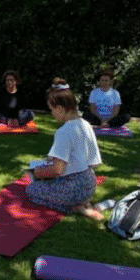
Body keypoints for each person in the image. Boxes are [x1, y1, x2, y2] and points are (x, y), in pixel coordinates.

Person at [26, 78, 104, 220]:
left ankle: (73, 207)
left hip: (72, 188)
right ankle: (81, 204)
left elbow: (57, 170)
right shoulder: (85, 124)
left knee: (31, 190)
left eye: (52, 110)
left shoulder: (64, 131)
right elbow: (92, 159)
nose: (52, 114)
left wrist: (37, 173)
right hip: (89, 184)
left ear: (60, 109)